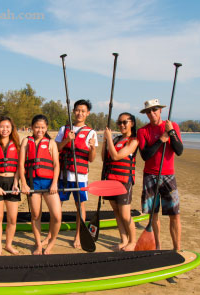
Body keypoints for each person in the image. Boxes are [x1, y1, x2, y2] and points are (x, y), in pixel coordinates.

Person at [48, 99, 97, 249]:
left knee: (80, 206)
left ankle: (78, 235)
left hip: (80, 176)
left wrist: (92, 148)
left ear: (87, 113)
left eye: (83, 111)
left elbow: (92, 159)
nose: (80, 113)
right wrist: (66, 140)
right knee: (57, 205)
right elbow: (55, 148)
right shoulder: (64, 129)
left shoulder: (91, 132)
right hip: (63, 174)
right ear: (73, 111)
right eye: (77, 110)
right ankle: (51, 235)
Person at [137, 98, 183, 250]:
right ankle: (157, 246)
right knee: (153, 214)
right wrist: (161, 140)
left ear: (160, 111)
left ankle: (177, 248)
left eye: (154, 110)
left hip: (168, 175)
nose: (152, 113)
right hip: (150, 176)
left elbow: (179, 150)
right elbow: (145, 155)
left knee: (174, 214)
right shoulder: (143, 131)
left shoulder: (172, 126)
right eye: (149, 111)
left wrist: (171, 132)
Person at [19, 114, 62, 255]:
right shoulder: (26, 141)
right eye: (37, 127)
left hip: (49, 183)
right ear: (32, 127)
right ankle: (38, 244)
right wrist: (23, 184)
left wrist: (55, 182)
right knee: (36, 215)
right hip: (33, 183)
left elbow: (56, 164)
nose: (39, 130)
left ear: (46, 128)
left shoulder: (51, 143)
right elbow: (21, 164)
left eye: (43, 127)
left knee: (56, 215)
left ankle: (51, 242)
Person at [102, 113, 139, 251]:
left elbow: (116, 156)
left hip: (124, 181)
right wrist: (106, 141)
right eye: (119, 123)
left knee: (125, 214)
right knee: (116, 212)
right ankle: (123, 240)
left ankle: (133, 241)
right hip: (111, 179)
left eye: (125, 122)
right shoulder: (117, 140)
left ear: (132, 123)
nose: (122, 125)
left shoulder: (134, 141)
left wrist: (109, 139)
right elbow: (104, 158)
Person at [0, 116, 21, 256]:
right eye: (2, 126)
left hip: (12, 182)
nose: (4, 129)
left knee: (12, 218)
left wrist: (16, 183)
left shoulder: (17, 145)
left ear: (11, 128)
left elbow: (19, 166)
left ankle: (8, 244)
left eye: (7, 127)